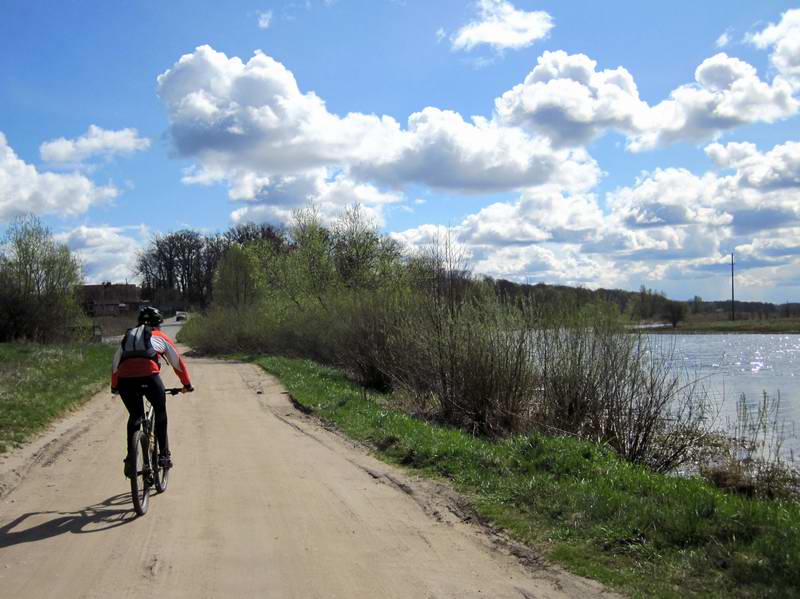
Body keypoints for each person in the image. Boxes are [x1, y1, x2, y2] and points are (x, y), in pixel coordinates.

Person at [112, 306, 193, 477]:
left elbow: (115, 364)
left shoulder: (129, 337)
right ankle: (163, 456)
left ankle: (130, 459)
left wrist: (115, 386)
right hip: (149, 377)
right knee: (160, 411)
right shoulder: (160, 337)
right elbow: (177, 363)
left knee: (135, 416)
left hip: (125, 380)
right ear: (158, 324)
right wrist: (186, 384)